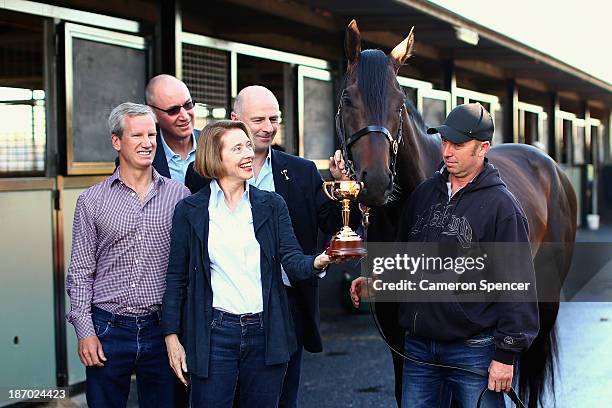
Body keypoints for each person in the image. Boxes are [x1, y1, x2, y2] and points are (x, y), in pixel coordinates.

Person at [351, 103, 539, 407]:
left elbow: (518, 287)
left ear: (483, 148)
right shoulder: (423, 195)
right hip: (419, 350)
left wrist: (506, 355)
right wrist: (379, 282)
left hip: (472, 351)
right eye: (445, 142)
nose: (448, 151)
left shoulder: (502, 207)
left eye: (459, 144)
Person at [185, 85, 354, 408]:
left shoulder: (302, 172)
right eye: (258, 119)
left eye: (273, 119)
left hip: (285, 304)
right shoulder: (200, 177)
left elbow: (335, 225)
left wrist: (345, 192)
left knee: (279, 399)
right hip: (222, 312)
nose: (267, 127)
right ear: (235, 120)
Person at [65, 102, 190, 408]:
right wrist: (85, 331)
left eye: (151, 134)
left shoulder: (180, 195)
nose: (147, 143)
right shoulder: (91, 201)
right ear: (117, 141)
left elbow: (188, 267)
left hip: (162, 330)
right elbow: (81, 271)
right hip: (108, 328)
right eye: (137, 135)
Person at [145, 74, 199, 184]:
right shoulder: (141, 156)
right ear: (152, 113)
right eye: (173, 110)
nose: (184, 116)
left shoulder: (216, 144)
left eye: (188, 105)